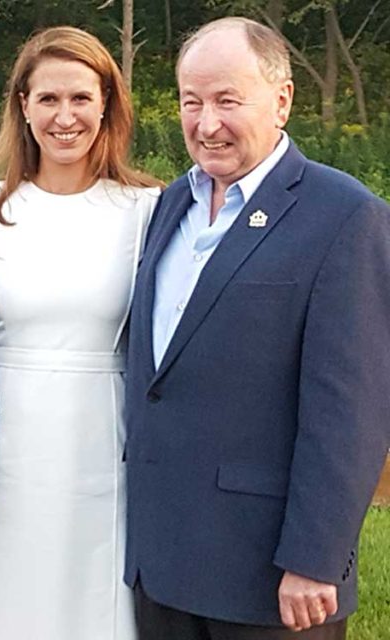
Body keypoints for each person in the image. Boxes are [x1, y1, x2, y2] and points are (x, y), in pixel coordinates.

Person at [125, 17, 390, 640]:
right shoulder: (170, 205)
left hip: (270, 578)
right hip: (162, 564)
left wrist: (315, 558)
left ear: (282, 99)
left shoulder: (345, 216)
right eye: (192, 101)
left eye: (227, 100)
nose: (206, 122)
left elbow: (352, 410)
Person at [0, 26, 162, 640]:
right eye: (48, 99)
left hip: (100, 434)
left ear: (107, 105)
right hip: (3, 438)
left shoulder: (145, 207)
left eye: (80, 99)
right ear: (23, 105)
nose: (64, 117)